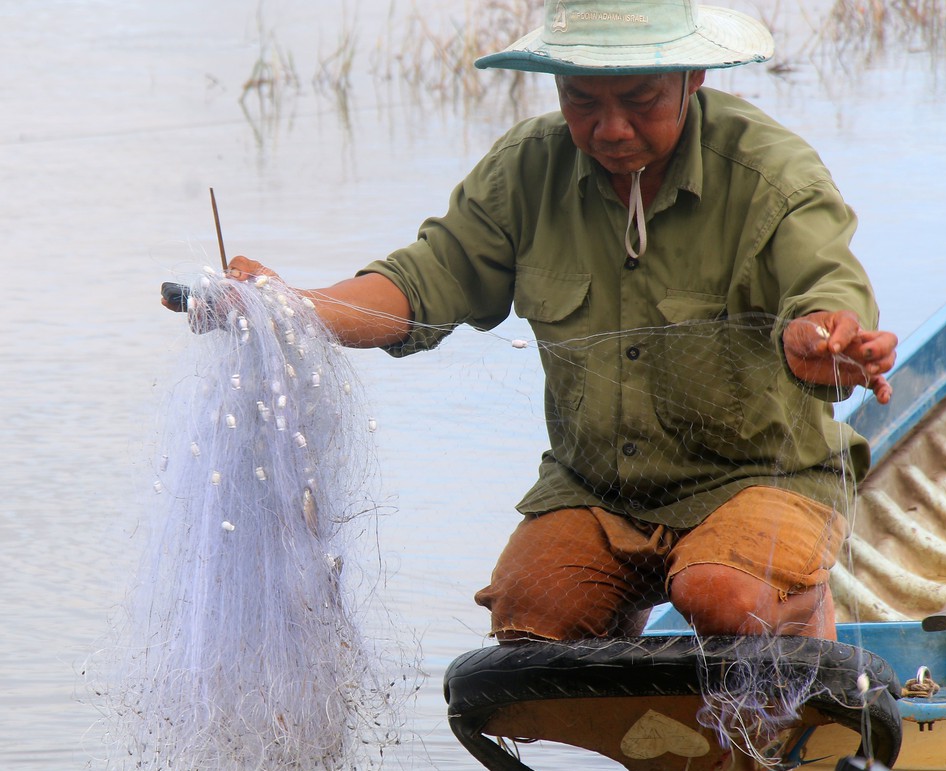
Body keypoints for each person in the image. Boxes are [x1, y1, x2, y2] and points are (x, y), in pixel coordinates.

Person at [167, 0, 896, 654]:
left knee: (721, 596)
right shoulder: (526, 170)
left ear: (692, 78)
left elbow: (831, 292)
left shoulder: (772, 171)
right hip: (598, 489)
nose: (611, 128)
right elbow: (425, 279)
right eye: (582, 99)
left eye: (641, 99)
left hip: (760, 479)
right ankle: (636, 668)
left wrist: (826, 342)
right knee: (530, 619)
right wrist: (291, 308)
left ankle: (804, 614)